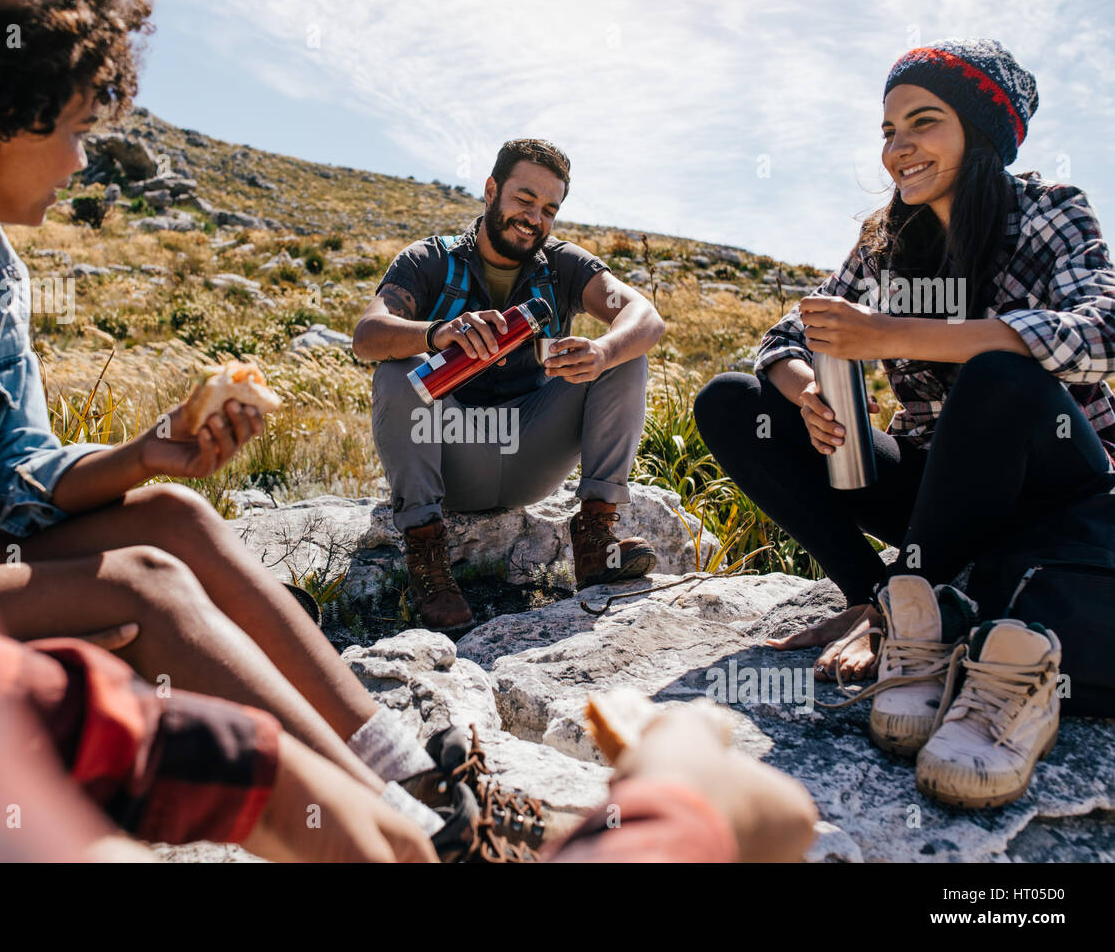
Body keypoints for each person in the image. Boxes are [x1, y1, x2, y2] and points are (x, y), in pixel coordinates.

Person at [0, 0, 456, 838]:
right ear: (3, 114)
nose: (82, 160)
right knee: (138, 585)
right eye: (77, 127)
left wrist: (148, 454)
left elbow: (22, 473)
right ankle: (405, 836)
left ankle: (417, 780)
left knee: (173, 516)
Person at [694, 39, 1114, 805]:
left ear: (980, 134)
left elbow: (1099, 334)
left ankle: (909, 595)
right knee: (730, 399)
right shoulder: (883, 242)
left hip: (1054, 488)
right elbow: (788, 336)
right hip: (939, 493)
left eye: (924, 122)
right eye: (888, 130)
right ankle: (882, 600)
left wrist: (891, 336)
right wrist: (803, 392)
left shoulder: (1050, 214)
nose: (898, 148)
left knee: (998, 374)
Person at [353, 139, 667, 632]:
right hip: (452, 455)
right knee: (398, 368)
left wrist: (602, 351)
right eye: (524, 200)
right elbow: (367, 336)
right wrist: (435, 334)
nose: (534, 218)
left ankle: (594, 539)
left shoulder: (563, 265)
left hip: (532, 453)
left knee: (624, 355)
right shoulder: (429, 261)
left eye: (548, 209)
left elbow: (645, 315)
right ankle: (427, 556)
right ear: (491, 190)